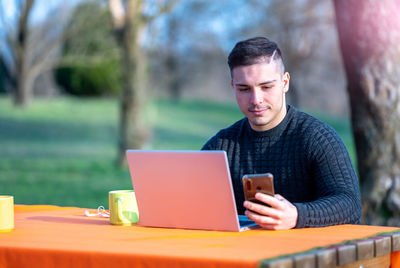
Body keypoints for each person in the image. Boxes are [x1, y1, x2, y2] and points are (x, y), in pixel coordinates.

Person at [202, 37, 362, 230]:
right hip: (237, 256)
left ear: (285, 82)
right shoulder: (219, 147)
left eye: (266, 87)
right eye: (244, 89)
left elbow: (350, 204)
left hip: (306, 256)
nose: (256, 99)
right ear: (233, 87)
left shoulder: (318, 139)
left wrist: (298, 215)